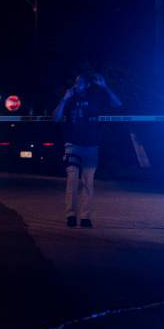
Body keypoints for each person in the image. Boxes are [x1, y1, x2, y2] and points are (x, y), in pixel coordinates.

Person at [53, 72, 121, 227]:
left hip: (91, 145)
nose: (77, 85)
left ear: (88, 85)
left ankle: (85, 217)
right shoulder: (70, 99)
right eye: (76, 82)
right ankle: (70, 215)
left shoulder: (96, 98)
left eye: (80, 83)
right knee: (72, 179)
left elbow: (117, 104)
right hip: (72, 144)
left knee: (88, 182)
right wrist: (64, 99)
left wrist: (106, 87)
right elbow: (55, 118)